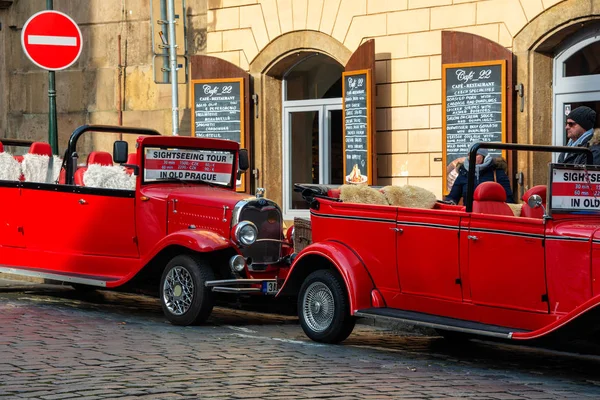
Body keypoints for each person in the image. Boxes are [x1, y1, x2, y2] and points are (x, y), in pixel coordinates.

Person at [445, 148, 513, 205]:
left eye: (476, 154)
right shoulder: (464, 173)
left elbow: (508, 198)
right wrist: (448, 203)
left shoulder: (496, 172)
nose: (472, 157)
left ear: (484, 156)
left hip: (492, 215)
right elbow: (453, 196)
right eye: (469, 155)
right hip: (470, 216)